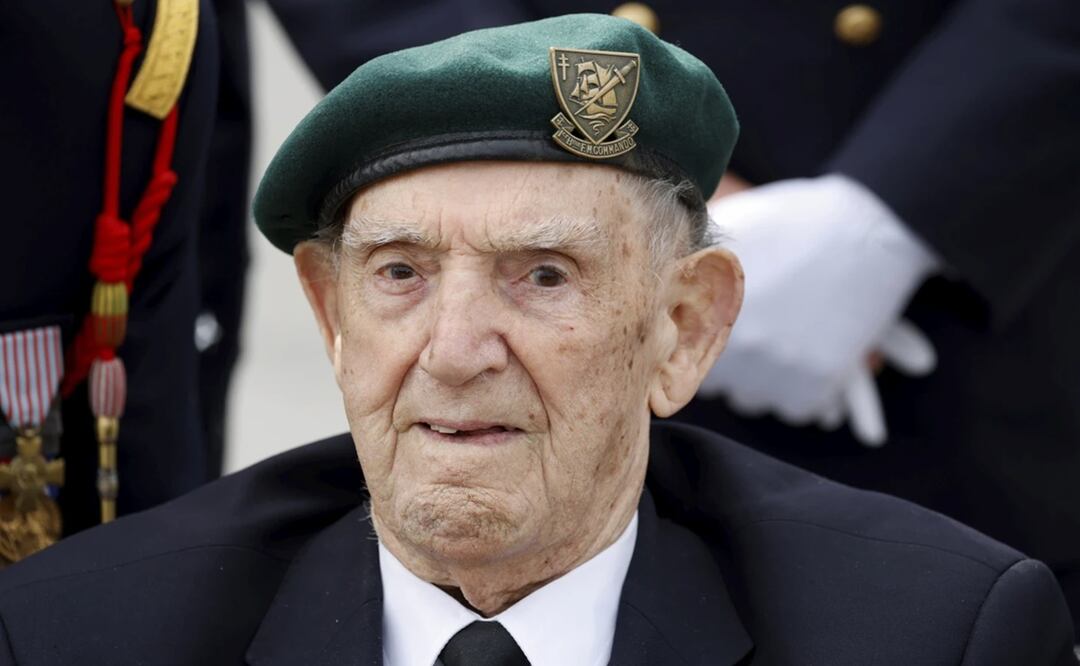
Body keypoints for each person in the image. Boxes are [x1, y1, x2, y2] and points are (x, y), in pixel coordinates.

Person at [0, 15, 1074, 665]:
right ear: (329, 315)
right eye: (401, 275)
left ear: (684, 328)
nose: (456, 349)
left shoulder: (937, 638)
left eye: (543, 275)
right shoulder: (86, 633)